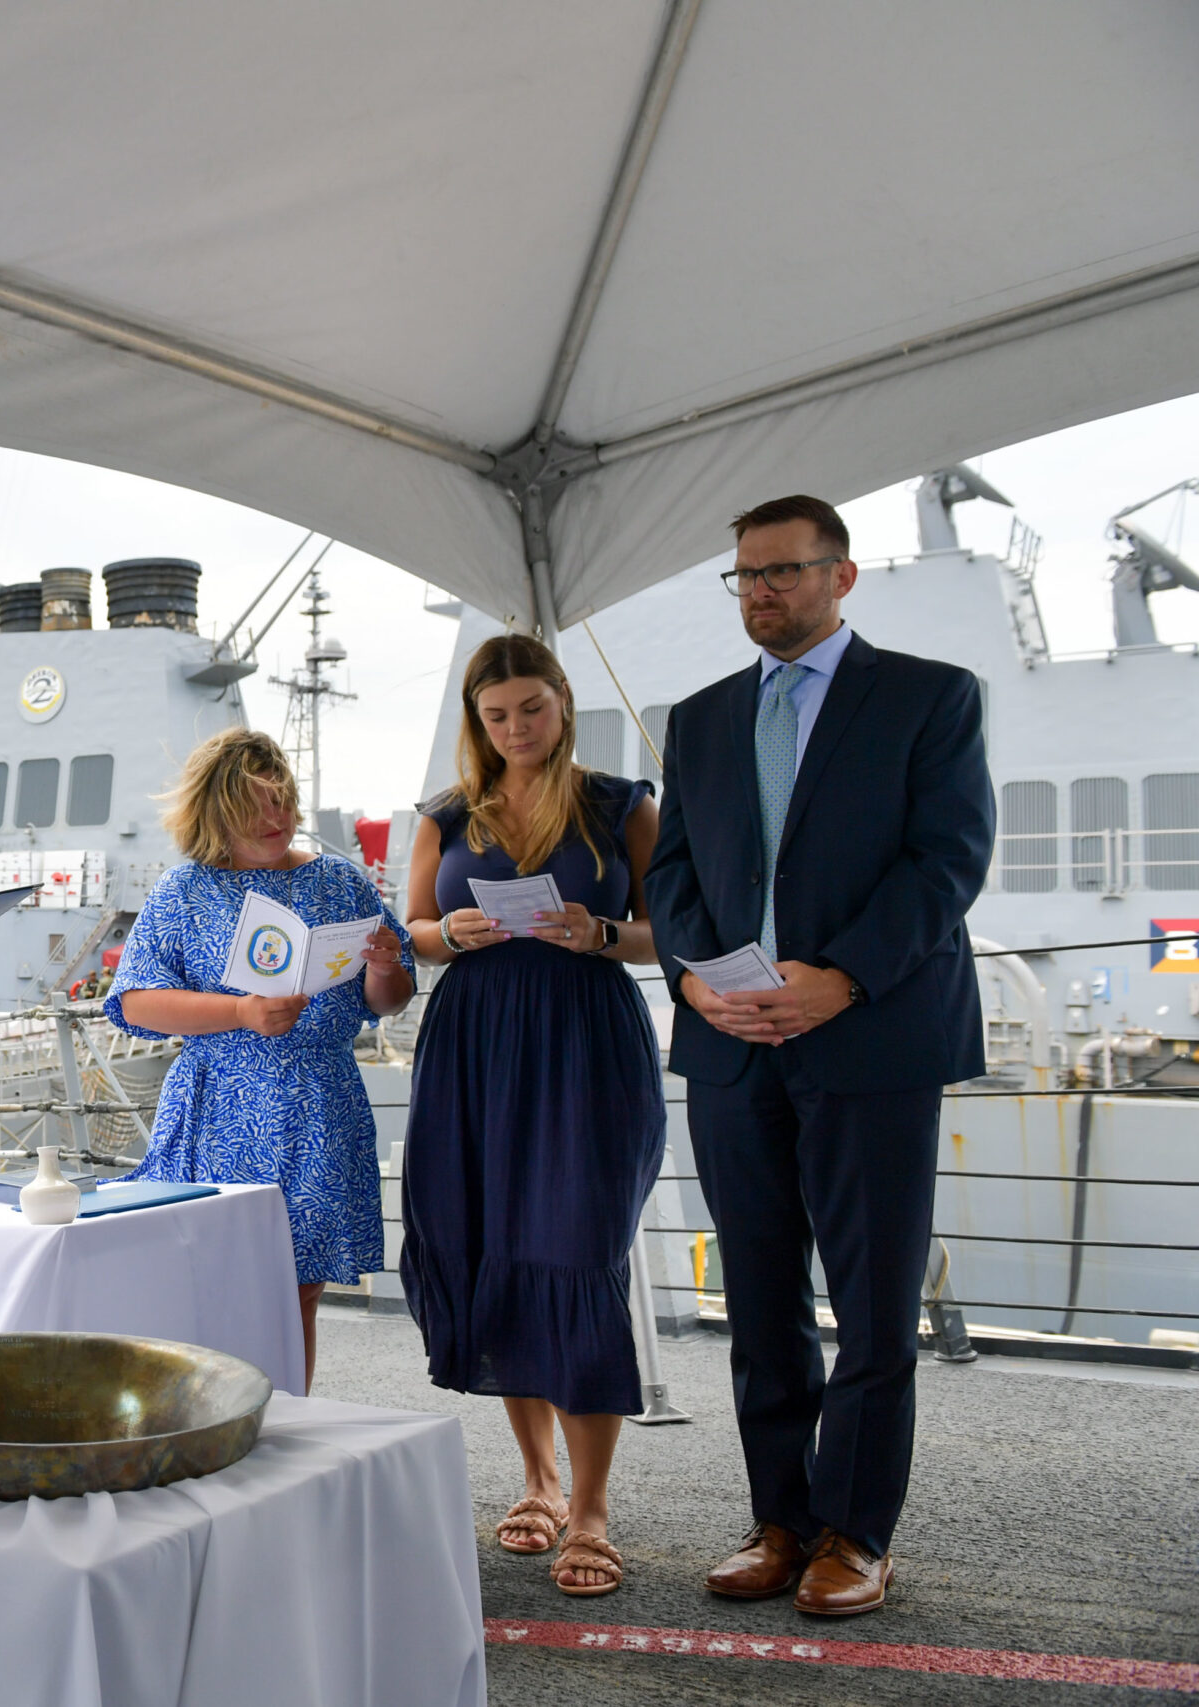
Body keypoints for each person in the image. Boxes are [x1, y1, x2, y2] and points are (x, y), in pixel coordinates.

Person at [646, 494, 993, 1618]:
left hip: (872, 1034)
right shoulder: (697, 719)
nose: (760, 593)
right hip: (733, 1045)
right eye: (744, 575)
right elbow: (676, 879)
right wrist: (695, 977)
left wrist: (838, 976)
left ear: (840, 578)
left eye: (784, 572)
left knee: (874, 1301)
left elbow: (947, 862)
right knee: (758, 1299)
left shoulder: (930, 698)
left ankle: (857, 1531)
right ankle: (780, 1520)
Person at [397, 634, 666, 1599]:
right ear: (478, 719)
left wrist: (599, 932)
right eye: (496, 714)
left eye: (532, 709)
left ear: (563, 702)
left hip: (586, 1045)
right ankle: (540, 1480)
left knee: (577, 1251)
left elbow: (672, 931)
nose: (515, 728)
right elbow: (414, 933)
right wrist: (448, 933)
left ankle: (591, 1507)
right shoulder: (446, 815)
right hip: (474, 1048)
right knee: (499, 1248)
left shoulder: (620, 804)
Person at [106, 728, 413, 1386]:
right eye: (256, 804)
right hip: (219, 1107)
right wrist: (239, 1011)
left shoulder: (340, 882)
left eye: (283, 800)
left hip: (319, 1103)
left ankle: (284, 1424)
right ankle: (212, 1422)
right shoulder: (183, 891)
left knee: (298, 1288)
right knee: (210, 1281)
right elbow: (134, 1001)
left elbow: (390, 1000)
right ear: (218, 811)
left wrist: (385, 966)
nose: (277, 818)